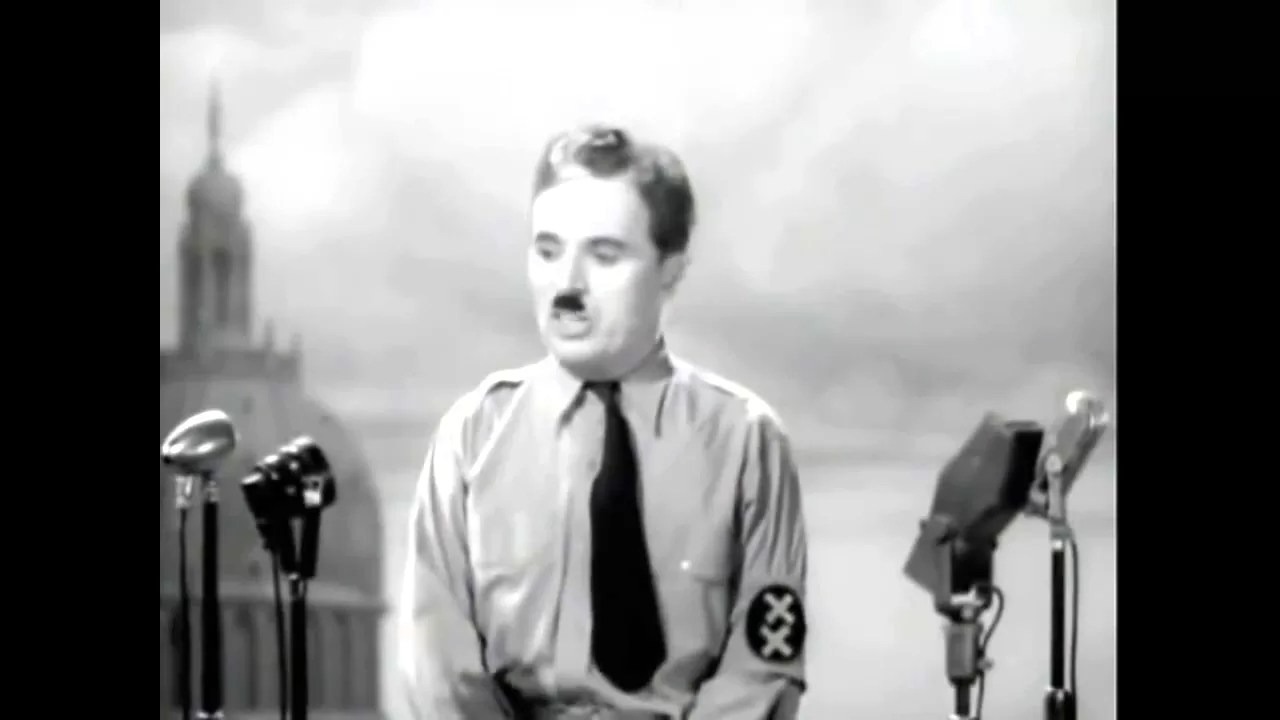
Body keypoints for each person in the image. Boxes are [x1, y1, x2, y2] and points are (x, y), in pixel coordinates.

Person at [397, 124, 809, 719]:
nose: (567, 285)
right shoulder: (472, 439)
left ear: (670, 269)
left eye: (604, 255)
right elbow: (438, 672)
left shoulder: (745, 442)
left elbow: (761, 672)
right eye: (547, 251)